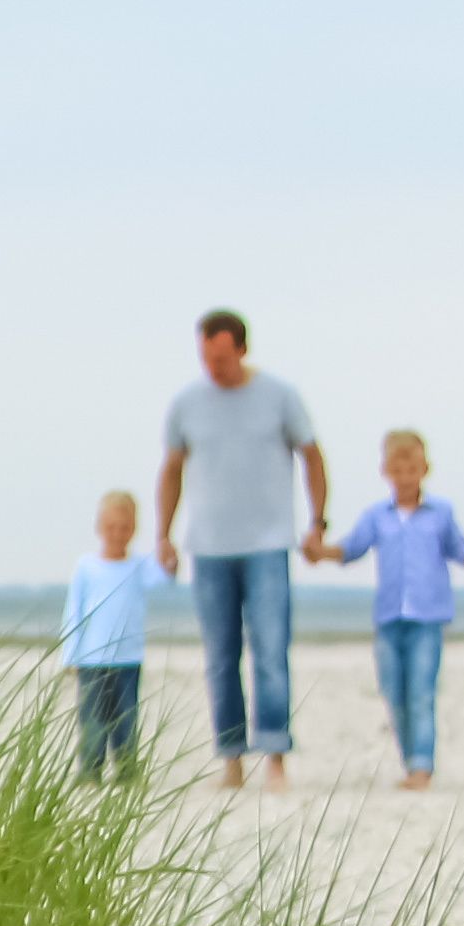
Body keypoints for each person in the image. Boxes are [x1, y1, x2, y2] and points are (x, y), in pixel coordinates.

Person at [152, 306, 328, 787]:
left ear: (242, 350)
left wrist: (317, 523)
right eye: (207, 359)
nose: (215, 369)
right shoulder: (187, 403)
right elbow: (172, 470)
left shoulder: (279, 396)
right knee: (219, 655)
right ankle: (231, 757)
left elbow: (312, 456)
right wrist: (163, 535)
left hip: (268, 544)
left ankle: (275, 754)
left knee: (271, 649)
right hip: (208, 548)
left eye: (224, 359)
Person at [309, 426, 464, 786]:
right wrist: (320, 552)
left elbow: (461, 550)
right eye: (397, 471)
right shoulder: (377, 516)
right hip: (388, 616)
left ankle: (421, 766)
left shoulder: (440, 514)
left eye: (411, 470)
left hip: (428, 616)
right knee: (393, 692)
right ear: (385, 471)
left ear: (424, 469)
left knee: (422, 691)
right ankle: (408, 759)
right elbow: (351, 549)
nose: (404, 478)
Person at [61, 489, 154, 774]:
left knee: (125, 718)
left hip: (129, 659)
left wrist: (171, 558)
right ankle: (90, 770)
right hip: (92, 659)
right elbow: (74, 611)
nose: (117, 533)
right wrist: (69, 655)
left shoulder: (140, 566)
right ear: (99, 528)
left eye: (124, 527)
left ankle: (126, 770)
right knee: (92, 718)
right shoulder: (87, 567)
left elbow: (166, 579)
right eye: (111, 527)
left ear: (134, 529)